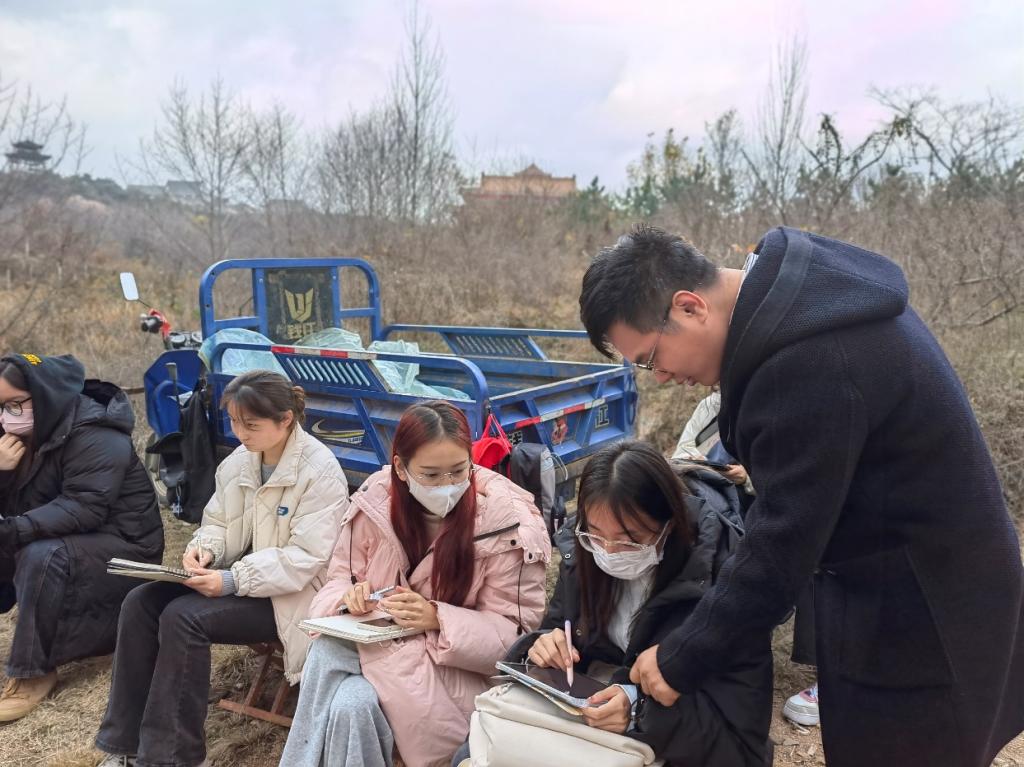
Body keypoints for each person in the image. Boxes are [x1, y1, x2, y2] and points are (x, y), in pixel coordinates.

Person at [578, 224, 1024, 766]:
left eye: (651, 357)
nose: (661, 377)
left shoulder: (805, 362)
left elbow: (781, 547)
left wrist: (681, 657)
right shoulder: (804, 301)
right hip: (925, 586)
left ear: (691, 307)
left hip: (927, 617)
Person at [95, 370, 348, 767]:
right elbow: (217, 523)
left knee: (183, 617)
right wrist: (204, 551)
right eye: (233, 421)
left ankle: (171, 759)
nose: (239, 432)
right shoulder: (238, 463)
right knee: (140, 602)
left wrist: (232, 579)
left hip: (290, 597)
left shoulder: (320, 471)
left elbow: (305, 557)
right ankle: (126, 744)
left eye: (251, 425)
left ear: (286, 419)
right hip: (235, 581)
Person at [281, 400, 550, 767]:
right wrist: (348, 599)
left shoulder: (507, 524)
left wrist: (437, 618)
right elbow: (338, 577)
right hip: (385, 657)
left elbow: (516, 641)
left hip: (457, 677)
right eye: (431, 475)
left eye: (459, 471)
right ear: (400, 468)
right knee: (350, 703)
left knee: (329, 652)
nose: (448, 486)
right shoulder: (374, 502)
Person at [473, 440, 772, 766]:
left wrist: (638, 711)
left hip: (670, 746)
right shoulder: (582, 554)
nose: (609, 552)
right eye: (595, 535)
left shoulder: (726, 585)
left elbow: (740, 740)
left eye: (630, 540)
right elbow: (560, 629)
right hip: (589, 729)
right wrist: (542, 647)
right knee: (475, 750)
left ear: (671, 524)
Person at [0, 353, 163, 722]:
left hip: (124, 550)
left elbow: (84, 507)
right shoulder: (20, 433)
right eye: (1, 406)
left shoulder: (96, 433)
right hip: (66, 538)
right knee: (29, 545)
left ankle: (33, 673)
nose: (7, 416)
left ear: (43, 397)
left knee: (42, 555)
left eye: (14, 404)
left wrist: (14, 529)